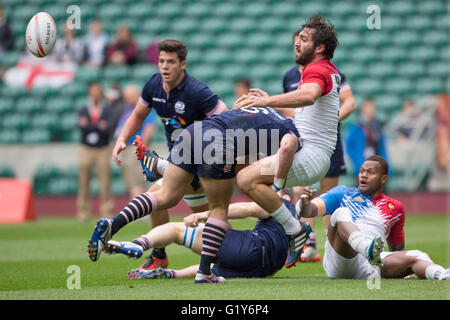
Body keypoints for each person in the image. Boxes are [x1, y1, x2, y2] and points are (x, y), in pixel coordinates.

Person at [89, 105, 308, 284]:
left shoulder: (264, 113)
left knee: (165, 195)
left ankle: (115, 223)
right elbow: (254, 196)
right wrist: (279, 186)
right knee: (217, 210)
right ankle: (201, 273)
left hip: (194, 131)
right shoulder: (288, 135)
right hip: (256, 257)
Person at [89, 39, 228, 272]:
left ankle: (153, 250)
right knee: (221, 228)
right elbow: (137, 115)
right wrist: (122, 139)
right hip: (181, 163)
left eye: (171, 62)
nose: (164, 66)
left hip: (204, 166)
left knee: (159, 194)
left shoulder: (197, 91)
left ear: (183, 64)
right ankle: (162, 254)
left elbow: (227, 119)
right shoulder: (154, 85)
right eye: (161, 61)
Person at [233, 14, 340, 267]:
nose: (297, 43)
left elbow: (310, 96)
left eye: (304, 39)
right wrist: (273, 102)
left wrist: (266, 101)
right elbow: (305, 114)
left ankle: (294, 228)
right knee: (246, 169)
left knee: (246, 179)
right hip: (314, 153)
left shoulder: (316, 69)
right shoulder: (325, 70)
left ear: (320, 47)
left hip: (311, 155)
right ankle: (291, 221)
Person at [297, 155, 450, 280]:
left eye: (370, 172)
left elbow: (397, 251)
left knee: (418, 255)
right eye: (362, 171)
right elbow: (309, 211)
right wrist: (304, 203)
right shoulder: (342, 193)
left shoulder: (396, 207)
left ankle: (442, 275)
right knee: (340, 213)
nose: (363, 174)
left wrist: (404, 269)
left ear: (383, 178)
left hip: (371, 266)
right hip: (341, 260)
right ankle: (365, 247)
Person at [282, 28, 357, 263]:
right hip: (303, 140)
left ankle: (330, 245)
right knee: (300, 189)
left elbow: (350, 102)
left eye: (302, 41)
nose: (297, 46)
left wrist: (331, 119)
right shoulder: (289, 77)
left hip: (327, 140)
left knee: (328, 193)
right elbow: (295, 109)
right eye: (296, 42)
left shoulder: (333, 74)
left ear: (315, 47)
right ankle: (307, 242)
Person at [105, 195, 309, 280]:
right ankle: (170, 274)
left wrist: (203, 215)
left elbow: (246, 209)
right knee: (209, 267)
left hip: (253, 246)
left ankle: (139, 244)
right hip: (262, 270)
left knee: (176, 230)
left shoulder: (279, 203)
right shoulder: (298, 227)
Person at [77, 83, 114, 221]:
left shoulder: (107, 109)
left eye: (98, 91)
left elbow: (109, 127)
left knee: (105, 180)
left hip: (102, 148)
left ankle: (107, 210)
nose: (95, 94)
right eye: (93, 91)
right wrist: (98, 126)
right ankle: (83, 210)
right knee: (84, 180)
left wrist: (90, 126)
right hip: (85, 147)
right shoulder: (84, 108)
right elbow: (81, 125)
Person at [114, 84, 157, 199]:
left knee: (137, 181)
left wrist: (141, 148)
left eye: (130, 96)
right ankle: (137, 210)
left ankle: (140, 212)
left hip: (135, 149)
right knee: (131, 181)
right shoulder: (128, 110)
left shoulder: (143, 109)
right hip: (127, 150)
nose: (127, 99)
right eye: (126, 96)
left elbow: (149, 128)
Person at [346, 98, 389, 181]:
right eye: (367, 107)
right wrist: (357, 161)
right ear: (363, 109)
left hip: (377, 166)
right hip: (361, 166)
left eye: (372, 107)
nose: (370, 110)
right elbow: (349, 146)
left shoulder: (378, 126)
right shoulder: (356, 126)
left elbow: (382, 146)